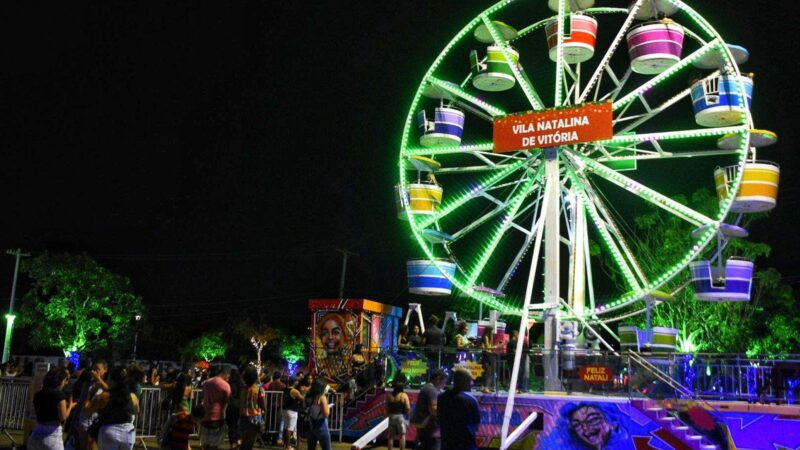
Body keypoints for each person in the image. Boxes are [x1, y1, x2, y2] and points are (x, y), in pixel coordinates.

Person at [84, 366, 140, 450]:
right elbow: (136, 411)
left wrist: (89, 394)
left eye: (109, 379)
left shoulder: (104, 397)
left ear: (113, 381)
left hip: (109, 431)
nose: (107, 381)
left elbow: (87, 410)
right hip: (128, 433)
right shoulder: (133, 396)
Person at [28, 368, 76, 450]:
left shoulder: (38, 394)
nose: (66, 383)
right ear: (59, 380)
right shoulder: (59, 395)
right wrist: (70, 406)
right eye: (65, 380)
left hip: (36, 432)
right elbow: (63, 417)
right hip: (52, 435)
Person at [438, 369, 480, 450]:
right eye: (470, 380)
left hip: (447, 444)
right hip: (467, 446)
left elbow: (439, 418)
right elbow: (476, 424)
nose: (472, 383)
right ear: (462, 381)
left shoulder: (442, 397)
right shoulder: (471, 400)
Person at [411, 369, 446, 450]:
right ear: (438, 379)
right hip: (432, 432)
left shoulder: (425, 388)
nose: (444, 385)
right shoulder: (433, 391)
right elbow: (433, 409)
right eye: (443, 382)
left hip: (423, 430)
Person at [77, 360, 108, 450]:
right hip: (85, 416)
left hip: (98, 417)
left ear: (105, 370)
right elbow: (83, 398)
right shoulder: (88, 382)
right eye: (94, 369)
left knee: (94, 444)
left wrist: (98, 380)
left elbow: (108, 389)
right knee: (84, 444)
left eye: (98, 369)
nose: (95, 371)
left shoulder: (106, 382)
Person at [200, 366, 231, 450]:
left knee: (205, 443)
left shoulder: (206, 382)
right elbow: (228, 400)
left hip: (205, 415)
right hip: (217, 416)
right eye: (228, 376)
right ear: (224, 374)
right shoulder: (225, 385)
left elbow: (202, 396)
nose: (228, 378)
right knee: (214, 444)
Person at [238, 367, 264, 450]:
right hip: (255, 416)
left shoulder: (242, 388)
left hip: (243, 415)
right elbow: (263, 404)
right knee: (251, 441)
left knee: (244, 440)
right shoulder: (259, 389)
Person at [303, 379, 331, 450]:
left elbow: (304, 408)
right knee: (326, 447)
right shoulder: (322, 397)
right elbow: (326, 413)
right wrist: (328, 406)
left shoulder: (307, 397)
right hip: (321, 424)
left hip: (310, 425)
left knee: (311, 447)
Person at [385, 381, 410, 450]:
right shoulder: (403, 395)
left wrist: (386, 416)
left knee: (390, 436)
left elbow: (386, 407)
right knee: (402, 436)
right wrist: (408, 417)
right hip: (400, 417)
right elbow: (408, 408)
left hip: (391, 416)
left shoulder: (390, 395)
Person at [282, 377, 304, 450]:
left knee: (286, 428)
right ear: (294, 382)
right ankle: (288, 447)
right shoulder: (294, 391)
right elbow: (302, 398)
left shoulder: (285, 389)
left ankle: (285, 445)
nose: (298, 382)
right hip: (292, 411)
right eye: (297, 381)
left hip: (285, 410)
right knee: (290, 429)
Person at [226, 368, 243, 450]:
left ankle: (232, 443)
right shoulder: (241, 383)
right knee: (238, 423)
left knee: (231, 424)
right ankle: (239, 439)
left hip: (231, 404)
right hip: (239, 404)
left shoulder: (228, 383)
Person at [479, 326, 497, 393]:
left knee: (486, 371)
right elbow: (488, 347)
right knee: (489, 372)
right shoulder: (486, 337)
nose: (491, 332)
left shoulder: (485, 337)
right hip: (488, 355)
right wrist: (495, 346)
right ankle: (486, 387)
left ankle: (484, 387)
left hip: (486, 355)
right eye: (491, 331)